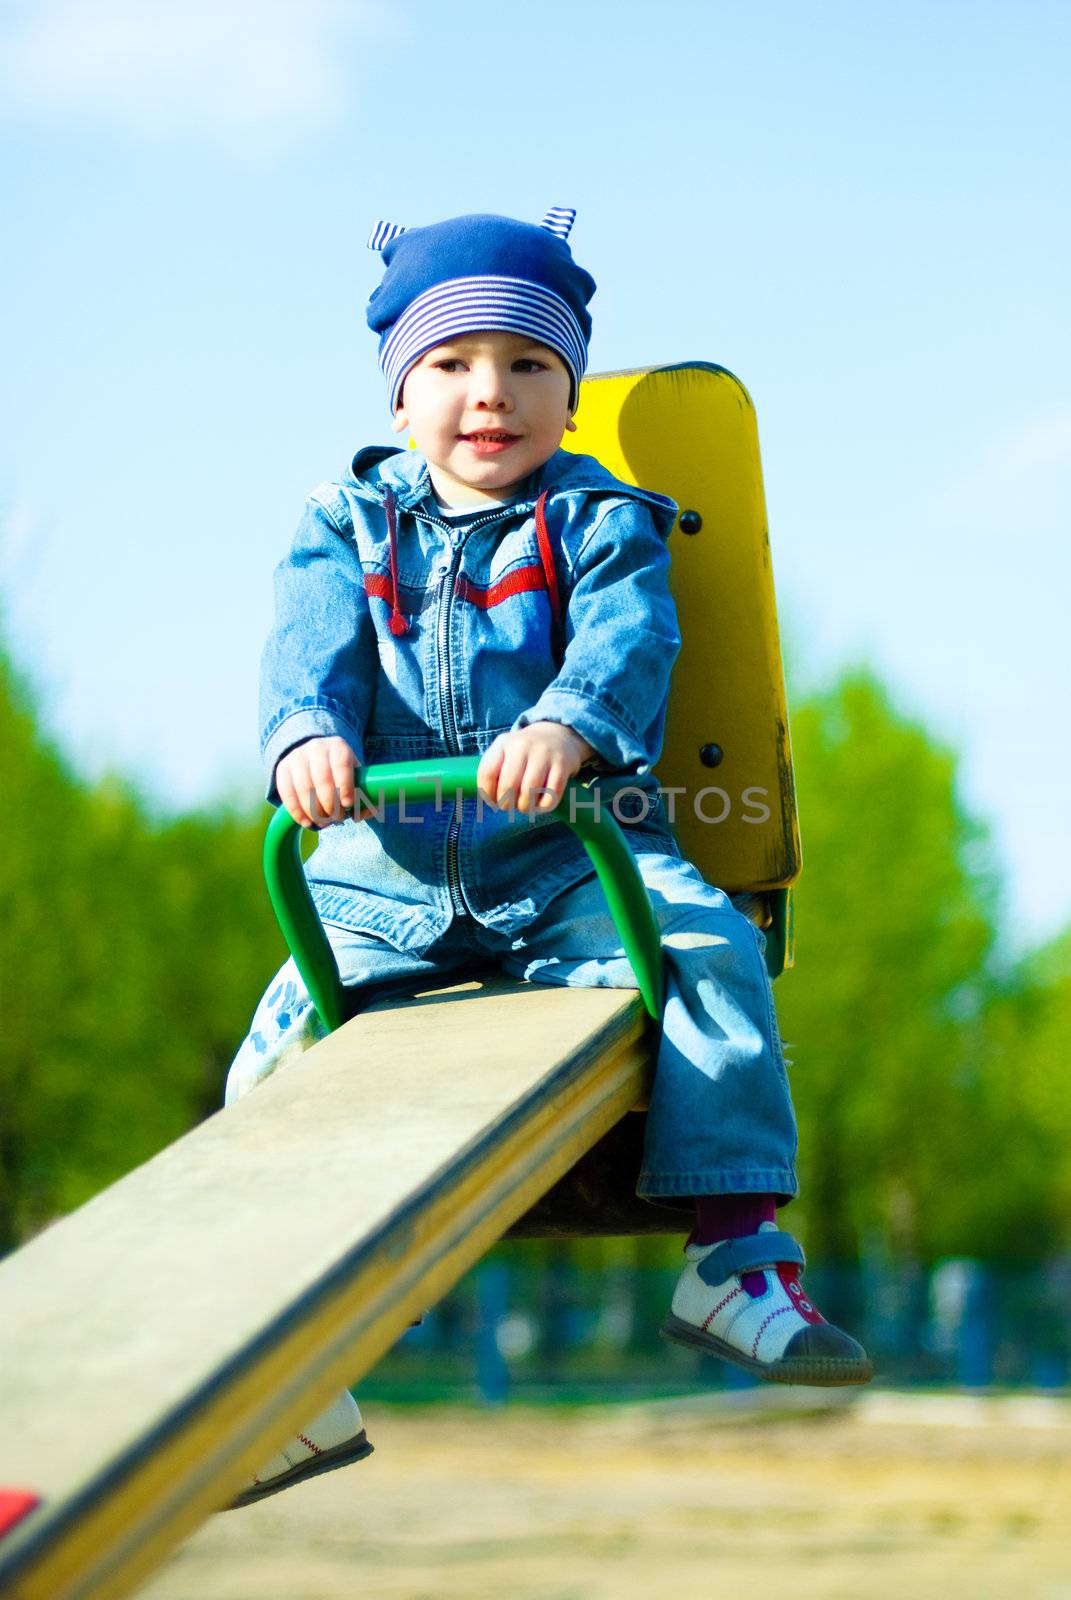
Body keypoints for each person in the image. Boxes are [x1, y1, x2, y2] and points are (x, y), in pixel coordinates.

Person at [226, 208, 872, 1507]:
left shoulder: (598, 518)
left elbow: (629, 641)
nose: (492, 394)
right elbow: (306, 660)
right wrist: (306, 742)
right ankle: (296, 1357)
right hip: (380, 884)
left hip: (568, 864)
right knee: (275, 1066)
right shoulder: (344, 525)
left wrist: (569, 725)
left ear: (569, 391)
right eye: (454, 363)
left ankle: (735, 1254)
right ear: (402, 389)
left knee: (708, 953)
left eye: (529, 365)